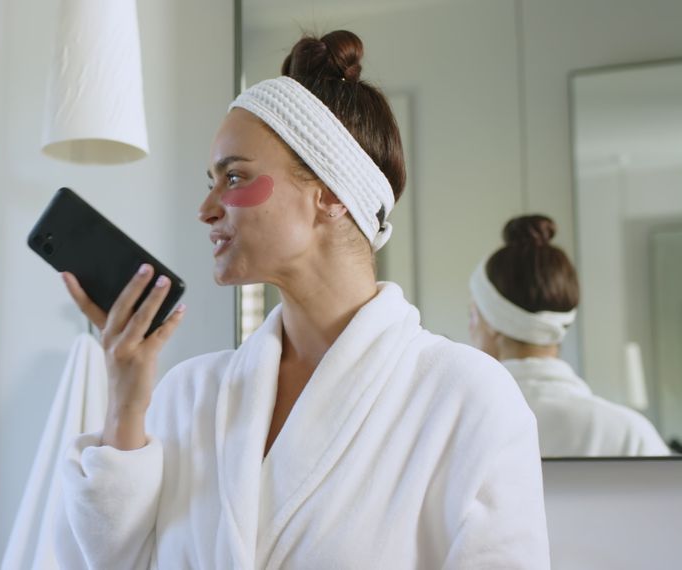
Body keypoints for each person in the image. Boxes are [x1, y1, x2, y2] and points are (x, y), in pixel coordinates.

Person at [57, 30, 550, 569]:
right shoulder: (190, 394)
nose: (206, 208)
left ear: (331, 195)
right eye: (211, 180)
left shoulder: (465, 399)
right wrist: (127, 399)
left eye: (235, 177)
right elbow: (117, 563)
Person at [469, 214, 669, 458]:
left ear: (490, 322)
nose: (471, 330)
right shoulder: (629, 433)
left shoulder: (462, 426)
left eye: (473, 315)